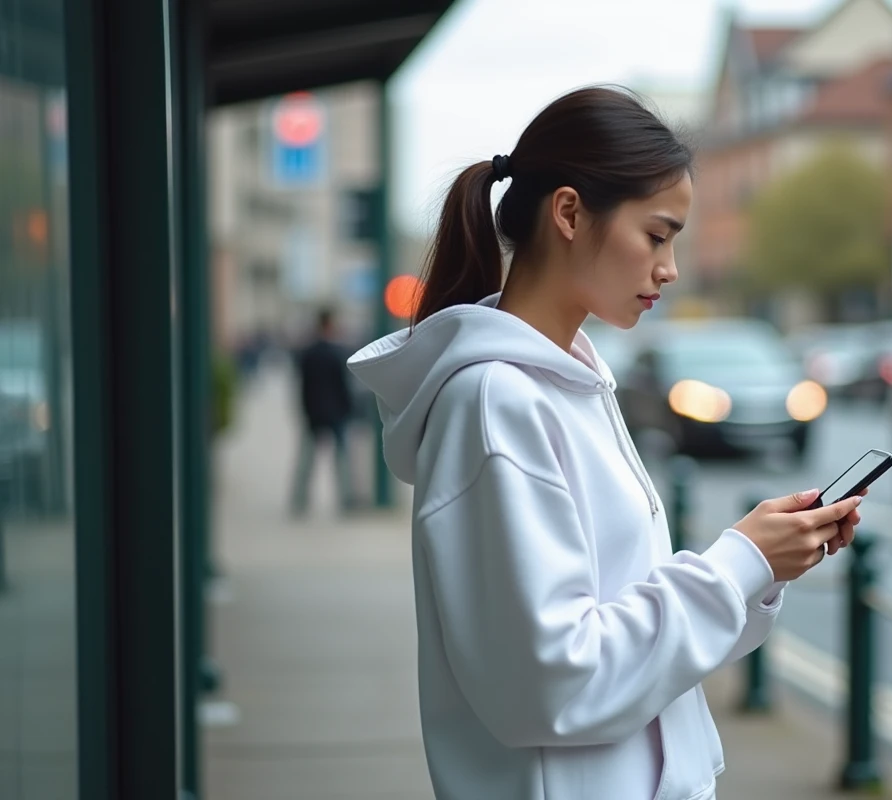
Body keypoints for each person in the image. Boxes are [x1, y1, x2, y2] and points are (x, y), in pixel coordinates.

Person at [347, 86, 865, 800]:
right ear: (568, 213)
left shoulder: (569, 380)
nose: (670, 267)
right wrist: (736, 564)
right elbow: (557, 682)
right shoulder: (497, 403)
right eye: (656, 234)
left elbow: (627, 632)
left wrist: (760, 566)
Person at [291, 306, 355, 514]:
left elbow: (302, 386)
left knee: (306, 460)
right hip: (336, 412)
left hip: (314, 412)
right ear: (330, 324)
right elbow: (343, 386)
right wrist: (348, 409)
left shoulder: (308, 353)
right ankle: (346, 499)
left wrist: (305, 410)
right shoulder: (337, 353)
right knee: (342, 459)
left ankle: (299, 500)